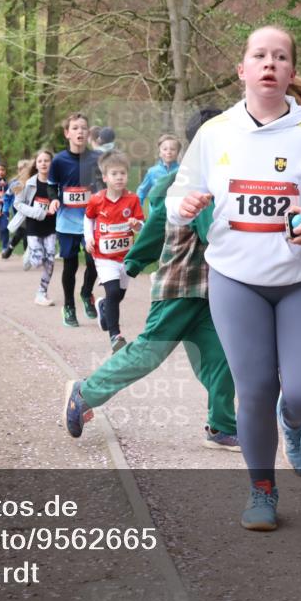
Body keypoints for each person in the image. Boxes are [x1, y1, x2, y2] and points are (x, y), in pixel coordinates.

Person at [167, 26, 301, 532]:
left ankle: (292, 419)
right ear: (243, 70)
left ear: (291, 73)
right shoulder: (215, 134)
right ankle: (261, 489)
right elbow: (179, 193)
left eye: (280, 57)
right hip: (236, 280)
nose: (269, 63)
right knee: (252, 389)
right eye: (260, 55)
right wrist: (184, 207)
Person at [64, 107, 241, 451]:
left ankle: (221, 426)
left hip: (208, 291)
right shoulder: (196, 179)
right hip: (180, 286)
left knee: (220, 357)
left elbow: (156, 226)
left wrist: (131, 264)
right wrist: (130, 265)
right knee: (148, 353)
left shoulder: (214, 174)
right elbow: (191, 229)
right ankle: (84, 394)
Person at [84, 151, 144, 352]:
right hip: (104, 257)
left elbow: (141, 225)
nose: (119, 178)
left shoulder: (133, 200)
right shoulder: (96, 200)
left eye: (123, 174)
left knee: (118, 295)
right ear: (105, 177)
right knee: (112, 291)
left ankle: (103, 307)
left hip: (125, 257)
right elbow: (88, 218)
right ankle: (115, 335)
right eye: (114, 174)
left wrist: (137, 225)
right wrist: (89, 237)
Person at [48, 113, 103, 326]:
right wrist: (53, 200)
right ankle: (69, 306)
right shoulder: (59, 161)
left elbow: (102, 186)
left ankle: (86, 292)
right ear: (67, 133)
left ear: (88, 133)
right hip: (66, 223)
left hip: (91, 222)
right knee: (70, 266)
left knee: (94, 262)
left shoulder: (96, 158)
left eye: (83, 128)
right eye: (75, 128)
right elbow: (52, 186)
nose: (79, 131)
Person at [9, 150, 57, 305]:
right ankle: (30, 253)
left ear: (52, 163)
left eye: (47, 160)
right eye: (40, 161)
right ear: (36, 165)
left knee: (50, 261)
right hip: (34, 226)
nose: (43, 163)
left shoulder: (57, 184)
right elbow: (17, 204)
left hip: (51, 227)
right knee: (37, 261)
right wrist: (38, 212)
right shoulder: (29, 183)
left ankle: (41, 293)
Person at [136, 134, 180, 205]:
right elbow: (142, 191)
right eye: (165, 149)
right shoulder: (152, 172)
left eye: (172, 149)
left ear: (177, 152)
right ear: (160, 152)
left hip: (176, 212)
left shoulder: (182, 171)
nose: (168, 152)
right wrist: (137, 209)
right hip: (156, 212)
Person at [0, 160, 12, 256]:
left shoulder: (8, 184)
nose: (1, 172)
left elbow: (10, 196)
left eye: (3, 170)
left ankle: (5, 247)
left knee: (4, 228)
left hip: (4, 210)